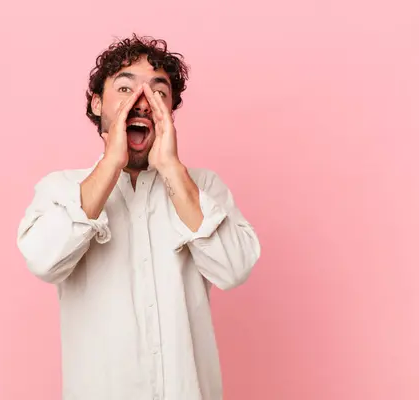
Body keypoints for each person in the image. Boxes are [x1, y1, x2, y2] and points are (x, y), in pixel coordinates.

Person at [16, 34, 261, 400]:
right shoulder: (61, 189)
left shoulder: (203, 186)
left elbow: (235, 268)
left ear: (171, 111)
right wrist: (111, 164)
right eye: (126, 88)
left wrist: (172, 169)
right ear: (98, 104)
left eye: (158, 92)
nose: (142, 102)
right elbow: (43, 260)